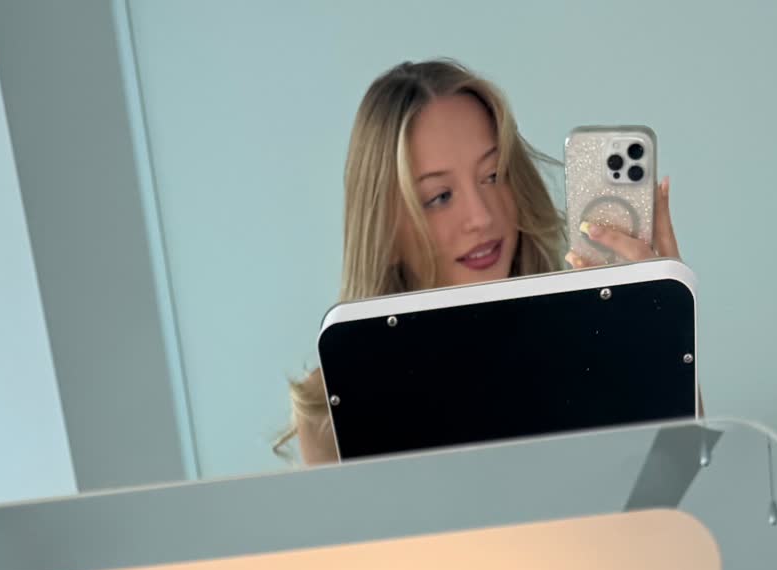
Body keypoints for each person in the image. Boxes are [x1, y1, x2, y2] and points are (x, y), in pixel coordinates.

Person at [279, 59, 684, 466]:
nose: (482, 216)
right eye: (439, 197)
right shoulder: (332, 409)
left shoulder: (600, 350)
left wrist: (663, 332)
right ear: (384, 233)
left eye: (493, 175)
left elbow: (678, 484)